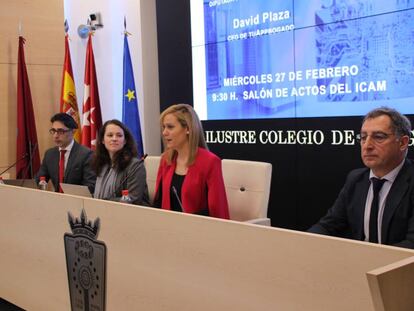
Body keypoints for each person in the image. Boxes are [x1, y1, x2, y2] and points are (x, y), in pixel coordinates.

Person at [308, 107, 414, 249]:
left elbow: (411, 244)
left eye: (379, 137)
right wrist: (303, 243)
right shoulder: (356, 179)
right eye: (363, 137)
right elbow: (329, 225)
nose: (367, 145)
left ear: (402, 143)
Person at [153, 104, 229, 219]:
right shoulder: (166, 160)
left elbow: (216, 210)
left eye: (170, 127)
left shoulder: (210, 162)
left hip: (199, 230)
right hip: (167, 228)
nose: (164, 132)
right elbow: (158, 203)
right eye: (164, 127)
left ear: (188, 129)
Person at [92, 119, 149, 205]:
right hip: (104, 212)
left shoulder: (135, 165)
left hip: (132, 215)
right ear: (102, 140)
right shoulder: (102, 164)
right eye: (110, 135)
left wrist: (105, 201)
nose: (114, 139)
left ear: (125, 141)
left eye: (119, 135)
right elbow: (97, 194)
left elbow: (133, 198)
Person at [36, 113, 96, 193]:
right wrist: (41, 182)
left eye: (60, 131)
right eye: (53, 131)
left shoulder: (86, 154)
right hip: (57, 201)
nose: (55, 136)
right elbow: (41, 177)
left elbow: (90, 186)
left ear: (73, 131)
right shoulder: (50, 154)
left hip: (77, 201)